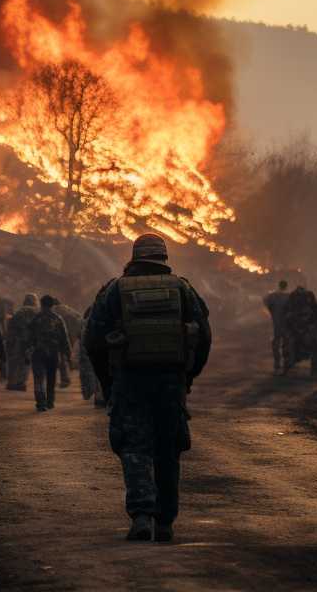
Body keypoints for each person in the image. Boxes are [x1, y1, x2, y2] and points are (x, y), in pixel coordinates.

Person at [85, 233, 211, 543]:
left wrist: (108, 382)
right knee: (168, 450)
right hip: (170, 383)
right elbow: (205, 336)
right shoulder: (183, 288)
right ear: (164, 259)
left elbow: (93, 339)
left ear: (134, 258)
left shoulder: (115, 290)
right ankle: (165, 522)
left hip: (130, 382)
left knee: (135, 448)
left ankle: (141, 514)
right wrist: (188, 375)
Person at [29, 295, 72, 411]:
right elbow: (64, 338)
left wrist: (26, 352)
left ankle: (40, 403)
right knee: (51, 378)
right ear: (52, 305)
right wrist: (68, 354)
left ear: (41, 305)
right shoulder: (58, 319)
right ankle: (50, 402)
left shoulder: (35, 319)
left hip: (38, 353)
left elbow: (28, 338)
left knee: (39, 378)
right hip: (53, 353)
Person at [281, 285, 317, 377]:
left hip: (307, 330)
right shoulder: (292, 306)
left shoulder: (312, 305)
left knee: (316, 347)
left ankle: (315, 370)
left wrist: (314, 328)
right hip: (296, 330)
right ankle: (286, 368)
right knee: (288, 348)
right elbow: (287, 318)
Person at [6, 294, 39, 390]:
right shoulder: (37, 312)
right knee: (26, 362)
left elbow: (11, 327)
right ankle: (21, 383)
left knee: (14, 362)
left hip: (18, 340)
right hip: (30, 341)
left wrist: (10, 340)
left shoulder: (18, 312)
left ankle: (11, 383)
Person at [78, 306, 104, 406]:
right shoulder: (100, 321)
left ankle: (96, 397)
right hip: (99, 350)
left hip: (89, 352)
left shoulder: (84, 323)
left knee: (92, 376)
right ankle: (100, 397)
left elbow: (82, 341)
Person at [263, 280, 290, 375]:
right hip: (286, 324)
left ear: (279, 285)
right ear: (286, 286)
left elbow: (265, 302)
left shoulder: (273, 296)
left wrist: (272, 312)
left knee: (276, 343)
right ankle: (286, 364)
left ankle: (277, 363)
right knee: (286, 344)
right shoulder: (289, 297)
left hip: (276, 323)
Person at [56, 302, 83, 389]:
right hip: (73, 331)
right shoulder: (68, 309)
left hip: (61, 334)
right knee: (67, 354)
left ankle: (65, 379)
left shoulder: (54, 310)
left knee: (62, 356)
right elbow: (79, 318)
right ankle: (67, 375)